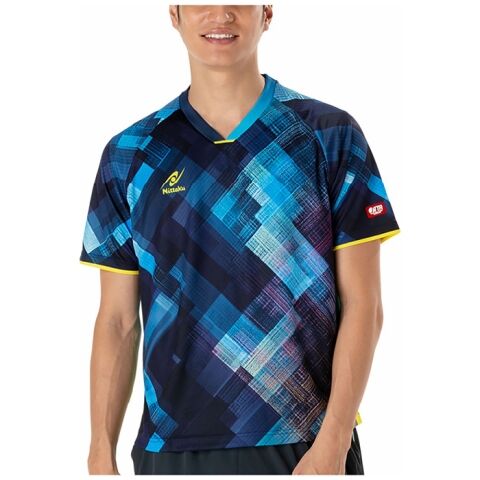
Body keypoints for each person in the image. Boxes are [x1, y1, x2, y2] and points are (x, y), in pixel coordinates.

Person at [79, 4, 401, 475]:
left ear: (267, 12)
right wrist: (99, 454)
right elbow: (117, 320)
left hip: (304, 444)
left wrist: (333, 441)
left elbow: (365, 305)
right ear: (175, 14)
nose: (221, 15)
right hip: (169, 448)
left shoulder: (329, 135)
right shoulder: (130, 153)